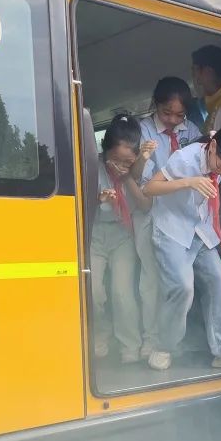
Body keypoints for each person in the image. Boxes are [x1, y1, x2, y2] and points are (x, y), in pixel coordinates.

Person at [142, 125, 221, 371]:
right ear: (212, 148)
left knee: (219, 281)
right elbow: (149, 189)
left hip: (199, 230)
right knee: (182, 287)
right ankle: (164, 346)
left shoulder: (219, 152)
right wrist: (188, 182)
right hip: (172, 229)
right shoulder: (184, 159)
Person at [139, 77, 204, 357]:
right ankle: (150, 339)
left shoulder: (191, 129)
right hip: (151, 210)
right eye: (167, 113)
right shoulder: (143, 131)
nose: (173, 120)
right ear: (156, 104)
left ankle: (171, 340)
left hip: (184, 216)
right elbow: (145, 182)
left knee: (179, 283)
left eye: (180, 114)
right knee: (151, 280)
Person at [91, 115, 155, 364]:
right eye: (116, 160)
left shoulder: (138, 168)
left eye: (128, 161)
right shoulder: (90, 166)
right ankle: (101, 335)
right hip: (95, 233)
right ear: (104, 150)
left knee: (122, 292)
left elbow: (145, 203)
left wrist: (130, 174)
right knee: (93, 291)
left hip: (123, 234)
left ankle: (130, 344)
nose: (121, 165)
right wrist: (97, 200)